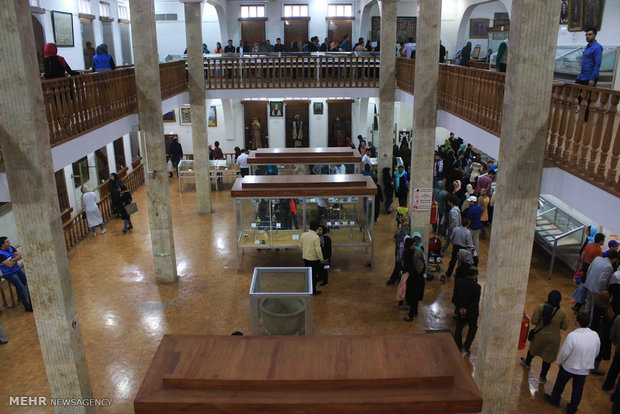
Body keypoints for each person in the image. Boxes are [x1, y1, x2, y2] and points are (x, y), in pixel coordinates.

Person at [544, 313, 600, 414]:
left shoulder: (572, 336)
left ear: (577, 322)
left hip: (569, 366)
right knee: (578, 390)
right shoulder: (595, 335)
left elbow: (565, 352)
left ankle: (555, 399)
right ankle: (572, 408)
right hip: (584, 369)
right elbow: (596, 351)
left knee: (560, 384)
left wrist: (560, 362)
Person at [520, 290, 569, 383]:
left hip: (539, 336)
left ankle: (527, 363)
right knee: (548, 358)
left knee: (532, 350)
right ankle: (542, 377)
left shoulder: (540, 307)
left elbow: (534, 321)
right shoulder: (562, 312)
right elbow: (564, 326)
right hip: (553, 339)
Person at [584, 252, 620, 322]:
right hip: (597, 289)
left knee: (588, 303)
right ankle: (589, 323)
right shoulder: (609, 267)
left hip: (589, 283)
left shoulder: (597, 259)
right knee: (593, 307)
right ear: (614, 259)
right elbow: (603, 281)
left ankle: (584, 318)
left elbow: (589, 270)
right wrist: (603, 292)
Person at [453, 266, 481, 353]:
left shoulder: (458, 282)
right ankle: (466, 347)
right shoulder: (477, 287)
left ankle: (458, 345)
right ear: (474, 275)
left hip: (460, 309)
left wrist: (461, 308)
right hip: (471, 312)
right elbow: (475, 302)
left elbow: (455, 297)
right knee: (472, 328)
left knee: (459, 327)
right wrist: (467, 310)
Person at [0, 237, 32, 312]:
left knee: (28, 283)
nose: (9, 243)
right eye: (7, 242)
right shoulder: (0, 254)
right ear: (2, 245)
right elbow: (9, 265)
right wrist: (15, 259)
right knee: (20, 287)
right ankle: (27, 306)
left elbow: (20, 256)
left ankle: (31, 300)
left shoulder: (11, 248)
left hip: (17, 269)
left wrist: (12, 260)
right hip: (9, 273)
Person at [402, 233, 425, 322]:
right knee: (415, 298)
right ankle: (414, 312)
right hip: (417, 279)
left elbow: (409, 268)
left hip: (413, 280)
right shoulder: (415, 253)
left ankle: (411, 315)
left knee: (412, 297)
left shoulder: (409, 254)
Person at [299, 221, 325, 295]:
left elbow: (300, 245)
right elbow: (318, 249)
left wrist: (305, 251)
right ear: (316, 228)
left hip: (305, 257)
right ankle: (313, 290)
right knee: (314, 275)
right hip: (314, 259)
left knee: (307, 273)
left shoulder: (303, 235)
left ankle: (307, 288)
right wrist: (321, 259)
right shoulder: (316, 237)